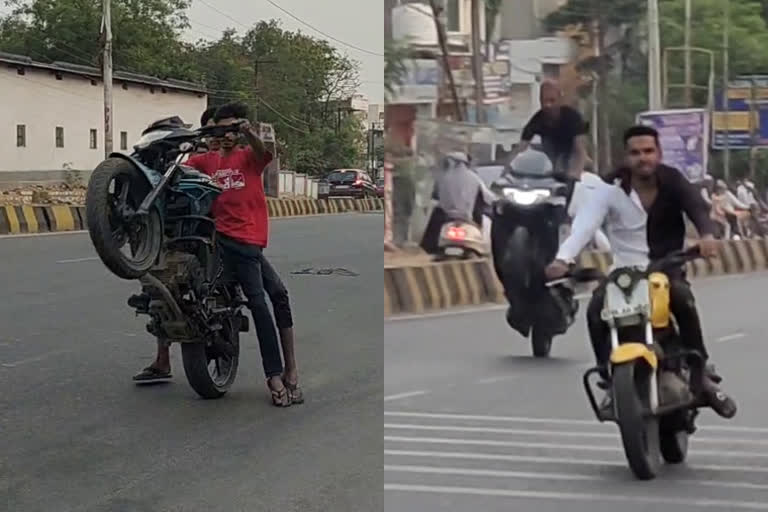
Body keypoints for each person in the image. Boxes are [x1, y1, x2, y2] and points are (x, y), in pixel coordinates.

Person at [544, 125, 737, 419]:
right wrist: (563, 258)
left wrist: (708, 235)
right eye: (635, 153)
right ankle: (609, 381)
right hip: (625, 273)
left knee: (682, 299)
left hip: (666, 267)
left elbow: (697, 209)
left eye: (648, 151)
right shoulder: (610, 189)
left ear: (658, 154)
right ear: (626, 157)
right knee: (596, 310)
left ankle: (702, 376)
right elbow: (585, 224)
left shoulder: (673, 181)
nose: (642, 158)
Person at [133, 103, 301, 406]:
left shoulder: (249, 158)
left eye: (229, 129)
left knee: (269, 300)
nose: (222, 137)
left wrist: (247, 130)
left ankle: (282, 373)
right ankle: (163, 359)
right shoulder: (206, 161)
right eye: (217, 130)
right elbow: (174, 173)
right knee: (173, 286)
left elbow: (267, 152)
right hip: (217, 241)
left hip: (247, 242)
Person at [517, 80, 589, 179]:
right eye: (544, 101)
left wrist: (575, 174)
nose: (548, 105)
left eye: (552, 100)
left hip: (572, 156)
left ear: (560, 100)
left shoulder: (573, 118)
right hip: (550, 160)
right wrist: (506, 171)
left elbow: (580, 150)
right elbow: (520, 149)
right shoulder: (537, 120)